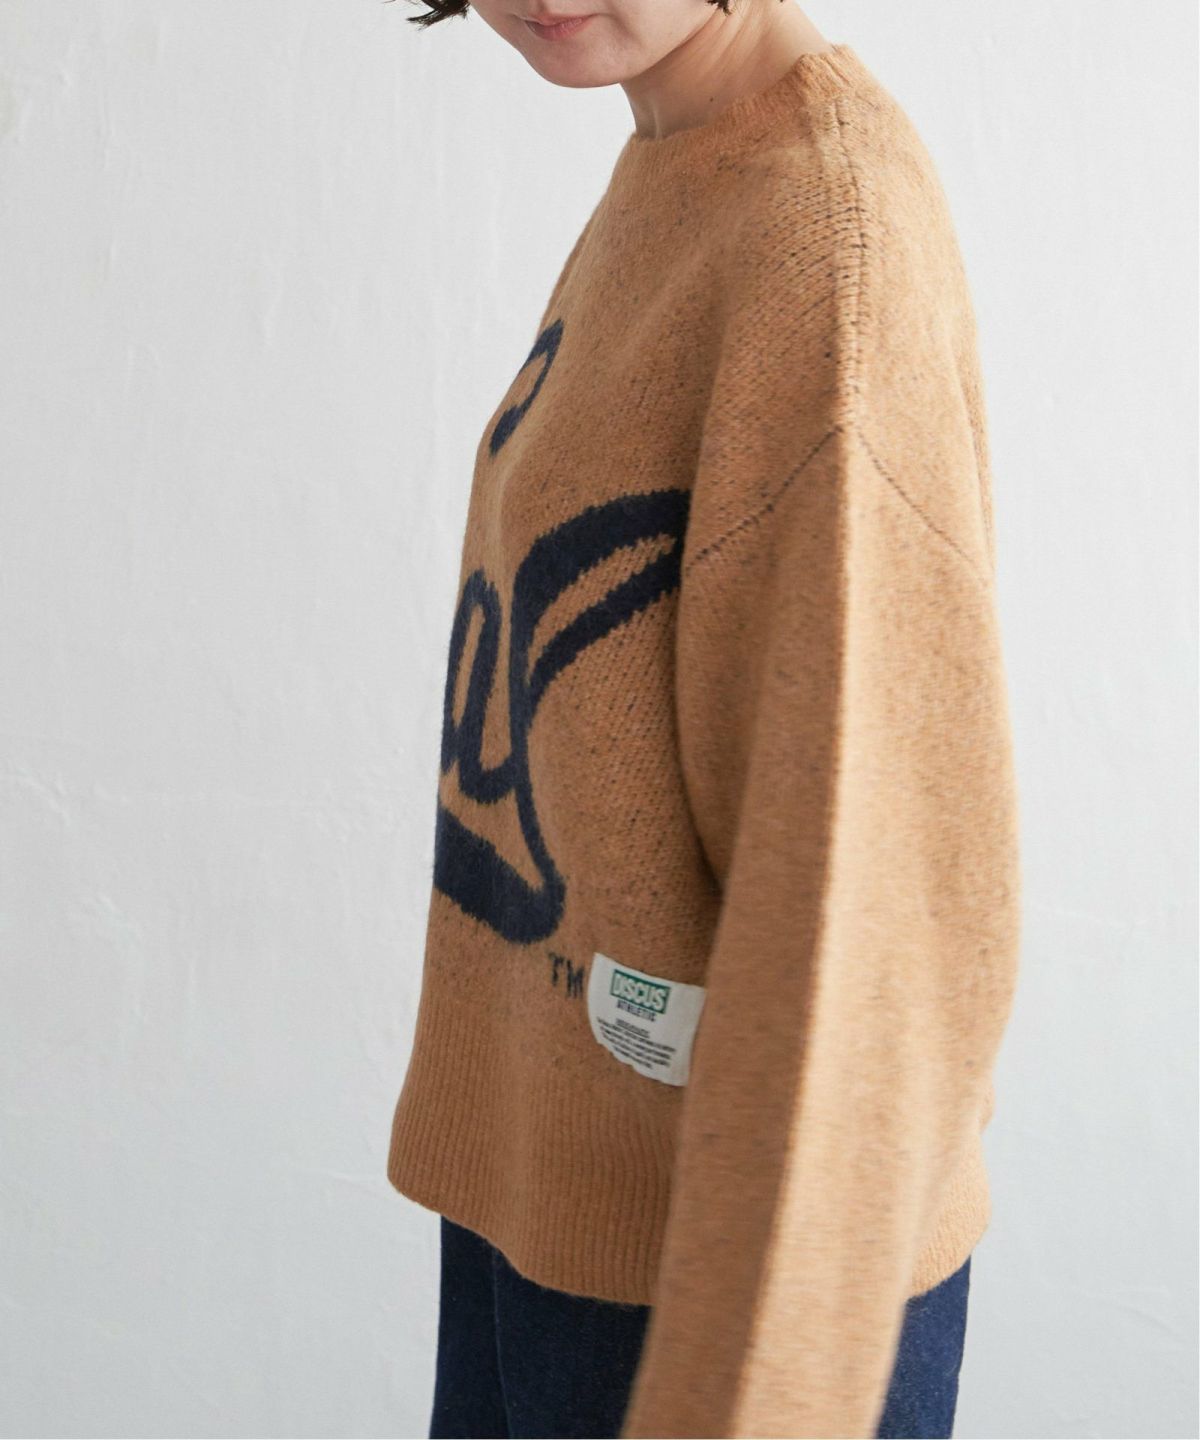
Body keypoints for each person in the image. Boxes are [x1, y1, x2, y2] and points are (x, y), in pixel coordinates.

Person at [386, 2, 1023, 1437]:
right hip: (567, 1213)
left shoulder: (827, 249)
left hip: (720, 1301)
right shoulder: (686, 162)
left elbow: (879, 928)